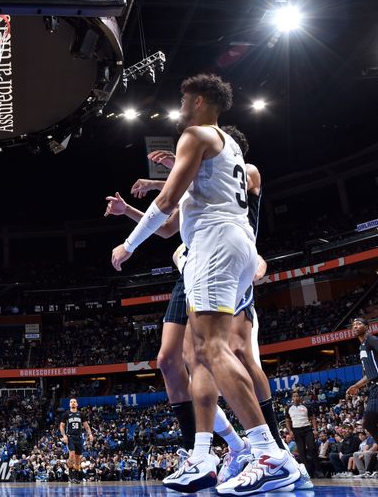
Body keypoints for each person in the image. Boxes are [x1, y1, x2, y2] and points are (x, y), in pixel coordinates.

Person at [110, 74, 298, 495]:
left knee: (214, 349)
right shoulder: (225, 145)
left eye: (181, 99)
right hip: (225, 244)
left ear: (197, 101)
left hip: (216, 245)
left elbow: (165, 203)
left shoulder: (196, 133)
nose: (178, 107)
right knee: (196, 353)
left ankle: (270, 454)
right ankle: (203, 455)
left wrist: (128, 244)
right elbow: (186, 194)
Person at [347, 318, 378, 446]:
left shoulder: (371, 339)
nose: (355, 326)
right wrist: (356, 385)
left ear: (367, 327)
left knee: (369, 422)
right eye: (353, 325)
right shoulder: (362, 346)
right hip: (373, 387)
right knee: (369, 423)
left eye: (359, 324)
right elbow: (370, 374)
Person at [285, 392, 319, 479]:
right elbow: (287, 421)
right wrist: (290, 431)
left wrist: (315, 430)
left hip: (307, 429)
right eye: (294, 396)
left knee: (312, 448)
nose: (296, 398)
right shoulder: (289, 408)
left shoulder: (306, 406)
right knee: (301, 452)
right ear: (292, 398)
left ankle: (318, 470)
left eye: (297, 396)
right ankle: (307, 472)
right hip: (296, 430)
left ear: (300, 398)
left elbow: (312, 418)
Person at [59, 398, 94, 483]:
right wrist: (64, 436)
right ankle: (71, 476)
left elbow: (86, 426)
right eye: (71, 402)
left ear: (77, 404)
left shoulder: (81, 414)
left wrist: (90, 434)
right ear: (69, 404)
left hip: (79, 437)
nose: (73, 403)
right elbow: (61, 426)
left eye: (74, 402)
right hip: (70, 437)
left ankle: (76, 477)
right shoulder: (66, 414)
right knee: (71, 455)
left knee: (78, 460)